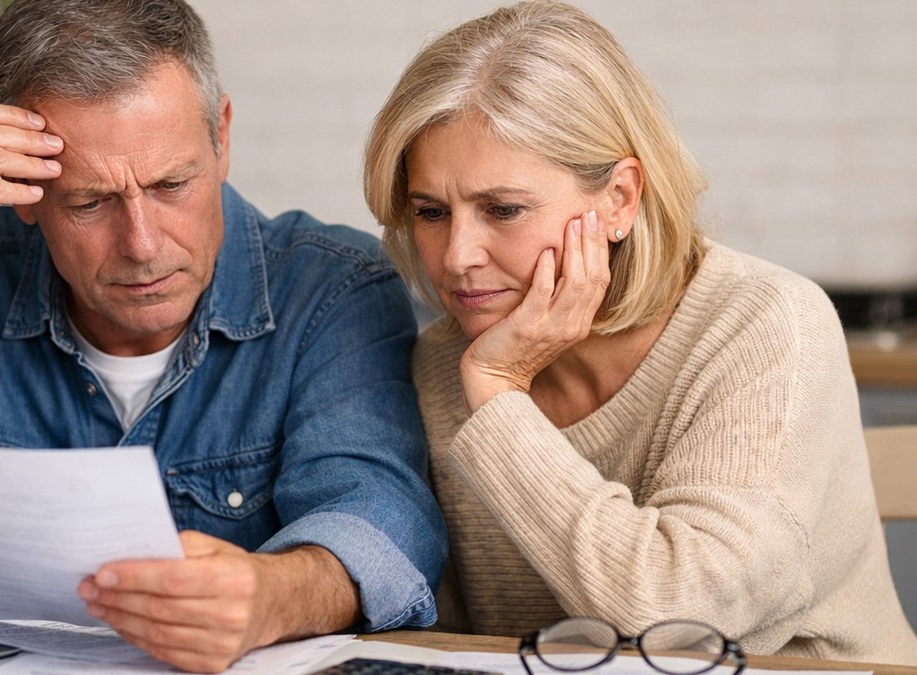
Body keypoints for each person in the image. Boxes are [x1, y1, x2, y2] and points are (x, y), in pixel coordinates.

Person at [0, 0, 446, 671]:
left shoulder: (332, 289)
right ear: (22, 191)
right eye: (90, 202)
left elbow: (378, 520)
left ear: (222, 136)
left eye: (172, 185)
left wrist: (273, 595)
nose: (143, 245)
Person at [362, 0, 917, 666]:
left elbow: (679, 621)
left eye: (502, 209)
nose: (457, 256)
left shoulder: (767, 326)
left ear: (619, 199)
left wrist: (501, 393)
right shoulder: (439, 365)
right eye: (430, 212)